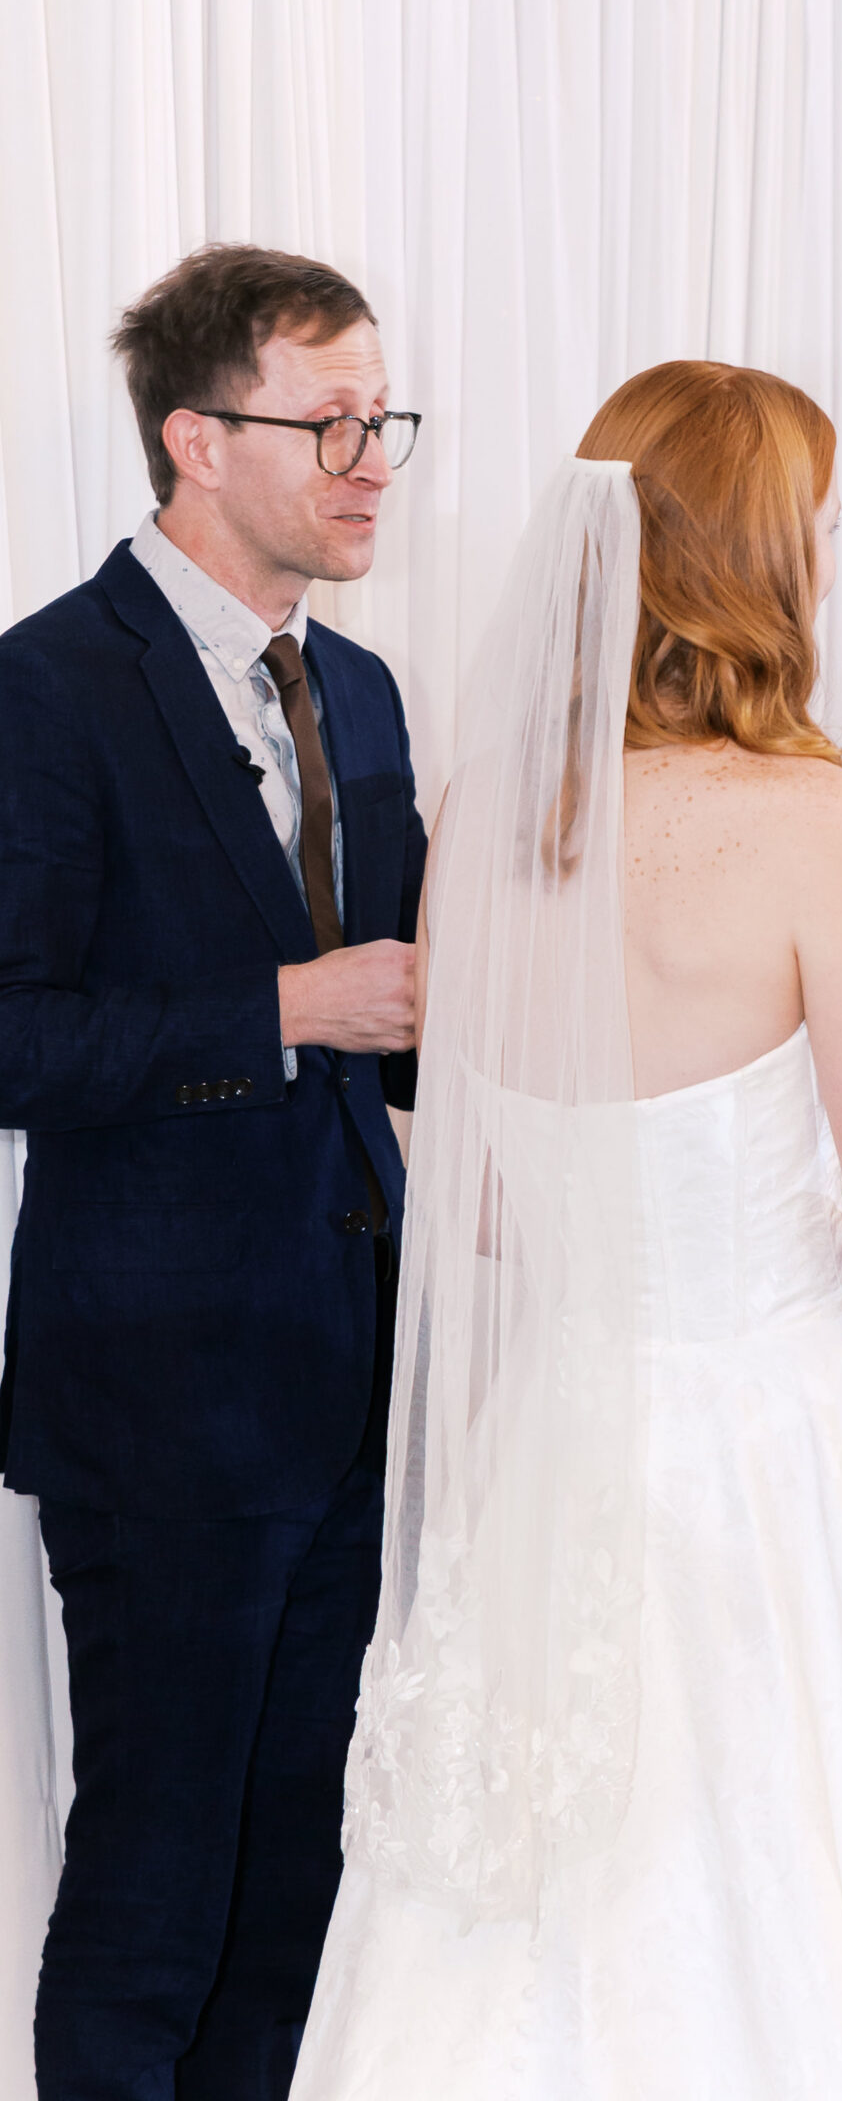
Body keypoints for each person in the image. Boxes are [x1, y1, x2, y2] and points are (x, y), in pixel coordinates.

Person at [291, 363, 842, 2099]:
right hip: (784, 1457)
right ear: (757, 558)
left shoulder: (489, 833)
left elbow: (487, 1205)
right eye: (814, 526)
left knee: (534, 1930)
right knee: (811, 1896)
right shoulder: (819, 822)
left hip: (559, 1446)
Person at [0, 244, 427, 2099]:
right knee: (150, 1903)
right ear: (194, 439)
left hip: (355, 1399)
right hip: (162, 1406)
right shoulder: (48, 691)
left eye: (381, 419)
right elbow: (12, 1039)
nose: (368, 460)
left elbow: (398, 1020)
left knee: (299, 1912)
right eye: (325, 422)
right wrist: (281, 1005)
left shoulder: (375, 696)